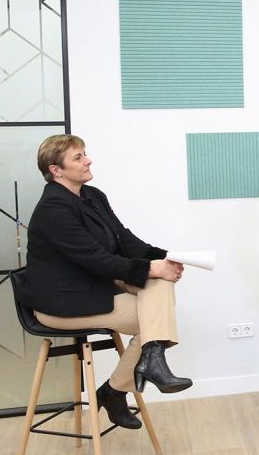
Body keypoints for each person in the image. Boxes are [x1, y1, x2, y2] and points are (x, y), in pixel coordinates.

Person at [25, 134, 192, 430]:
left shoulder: (92, 196)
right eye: (78, 157)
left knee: (161, 286)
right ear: (56, 170)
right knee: (152, 322)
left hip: (96, 285)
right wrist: (154, 269)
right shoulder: (53, 209)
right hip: (64, 301)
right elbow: (95, 259)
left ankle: (128, 379)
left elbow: (123, 240)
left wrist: (167, 258)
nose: (88, 160)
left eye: (85, 154)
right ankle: (116, 390)